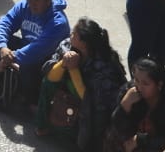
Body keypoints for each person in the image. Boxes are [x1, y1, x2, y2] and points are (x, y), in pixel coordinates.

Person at [35, 18, 128, 151]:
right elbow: (49, 75)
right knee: (47, 83)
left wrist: (74, 70)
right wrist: (64, 62)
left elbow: (95, 101)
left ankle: (84, 142)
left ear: (84, 43)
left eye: (74, 34)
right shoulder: (67, 45)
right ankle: (43, 124)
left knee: (91, 110)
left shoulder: (103, 66)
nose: (70, 35)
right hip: (71, 91)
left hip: (95, 105)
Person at [0, 0, 72, 106]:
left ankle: (31, 100)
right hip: (25, 48)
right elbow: (5, 23)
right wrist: (3, 47)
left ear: (48, 0)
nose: (31, 4)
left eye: (36, 1)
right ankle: (2, 80)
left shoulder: (58, 23)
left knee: (28, 65)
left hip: (44, 60)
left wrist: (10, 57)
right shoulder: (24, 5)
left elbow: (38, 50)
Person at [104, 58, 165, 152]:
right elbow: (115, 127)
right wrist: (125, 105)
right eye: (136, 80)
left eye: (145, 83)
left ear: (159, 85)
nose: (139, 87)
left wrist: (140, 140)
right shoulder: (129, 92)